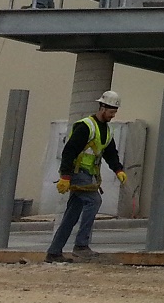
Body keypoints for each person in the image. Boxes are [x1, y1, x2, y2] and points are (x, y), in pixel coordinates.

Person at [46, 91, 127, 264]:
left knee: (72, 213)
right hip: (77, 173)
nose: (113, 115)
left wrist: (118, 169)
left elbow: (110, 153)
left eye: (115, 112)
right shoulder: (86, 126)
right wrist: (66, 176)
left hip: (88, 174)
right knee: (94, 201)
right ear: (102, 108)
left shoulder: (106, 130)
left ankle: (54, 252)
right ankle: (81, 246)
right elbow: (69, 151)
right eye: (111, 111)